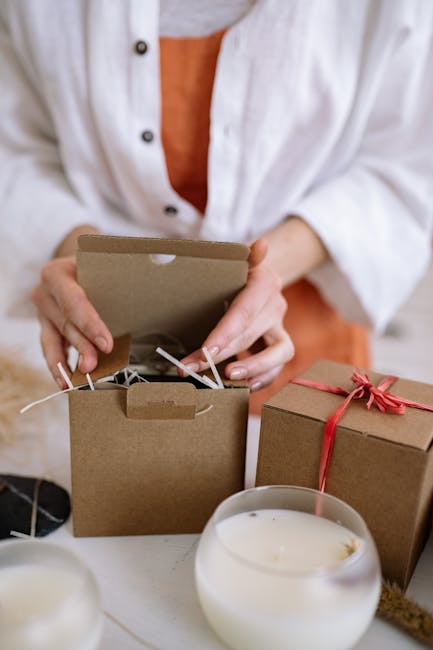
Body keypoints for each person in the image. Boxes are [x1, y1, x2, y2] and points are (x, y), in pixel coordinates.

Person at [0, 1, 432, 410]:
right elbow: (16, 151)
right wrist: (83, 258)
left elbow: (404, 164)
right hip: (105, 337)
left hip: (298, 336)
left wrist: (266, 269)